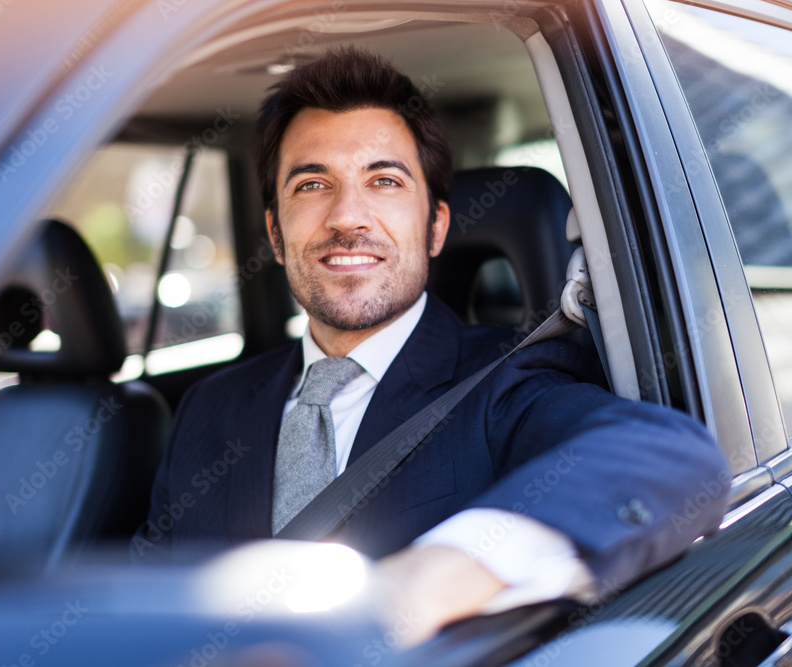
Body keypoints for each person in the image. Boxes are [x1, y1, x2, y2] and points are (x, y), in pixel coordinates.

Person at [133, 46, 730, 643]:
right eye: (313, 183)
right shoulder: (209, 405)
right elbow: (144, 601)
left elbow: (666, 453)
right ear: (275, 233)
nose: (348, 216)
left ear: (436, 226)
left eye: (384, 181)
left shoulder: (504, 384)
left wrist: (433, 576)